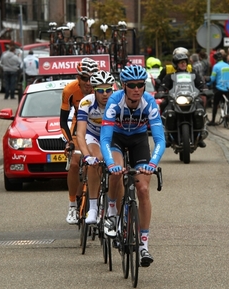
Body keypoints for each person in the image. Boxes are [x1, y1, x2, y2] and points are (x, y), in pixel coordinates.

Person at [100, 65, 166, 267]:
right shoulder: (114, 101)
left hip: (138, 140)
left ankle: (143, 245)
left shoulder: (149, 103)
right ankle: (112, 211)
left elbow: (160, 140)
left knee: (143, 188)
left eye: (140, 85)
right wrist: (111, 164)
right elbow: (104, 139)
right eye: (132, 85)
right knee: (117, 172)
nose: (137, 89)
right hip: (117, 139)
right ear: (124, 86)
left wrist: (152, 164)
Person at [60, 57, 99, 224]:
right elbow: (63, 120)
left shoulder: (102, 88)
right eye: (84, 78)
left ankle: (100, 203)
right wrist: (69, 141)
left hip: (98, 126)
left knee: (100, 163)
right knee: (75, 163)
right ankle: (72, 206)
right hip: (80, 127)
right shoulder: (69, 90)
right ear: (78, 77)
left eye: (91, 78)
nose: (88, 83)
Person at [76, 70, 116, 224]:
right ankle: (93, 208)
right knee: (96, 160)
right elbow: (80, 134)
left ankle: (117, 208)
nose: (105, 94)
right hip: (93, 136)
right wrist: (87, 156)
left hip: (112, 136)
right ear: (94, 90)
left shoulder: (118, 101)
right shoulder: (86, 102)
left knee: (117, 167)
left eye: (108, 90)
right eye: (100, 90)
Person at [162, 53, 207, 147]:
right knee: (166, 109)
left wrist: (205, 89)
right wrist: (161, 91)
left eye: (184, 62)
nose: (183, 64)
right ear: (176, 64)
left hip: (192, 99)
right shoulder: (170, 76)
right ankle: (168, 135)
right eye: (180, 62)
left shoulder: (193, 75)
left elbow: (201, 85)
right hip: (175, 99)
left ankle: (199, 136)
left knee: (200, 109)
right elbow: (163, 86)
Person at [206, 52, 229, 126]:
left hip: (219, 88)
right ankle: (227, 119)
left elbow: (212, 78)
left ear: (215, 59)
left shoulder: (216, 66)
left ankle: (213, 120)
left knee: (215, 104)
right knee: (226, 102)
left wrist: (208, 84)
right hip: (228, 87)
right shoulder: (228, 65)